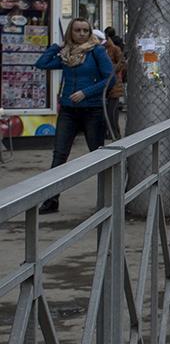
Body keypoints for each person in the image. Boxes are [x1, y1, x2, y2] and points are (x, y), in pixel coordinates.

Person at [34, 17, 114, 214]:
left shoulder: (97, 51)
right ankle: (51, 200)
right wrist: (57, 46)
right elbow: (42, 63)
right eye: (77, 30)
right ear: (70, 32)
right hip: (69, 110)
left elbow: (110, 79)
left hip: (92, 110)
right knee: (59, 154)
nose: (81, 34)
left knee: (97, 154)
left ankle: (106, 199)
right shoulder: (67, 54)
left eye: (85, 31)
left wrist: (86, 92)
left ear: (90, 32)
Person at [100, 29, 126, 140]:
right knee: (103, 114)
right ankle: (107, 133)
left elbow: (121, 64)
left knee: (112, 113)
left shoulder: (115, 49)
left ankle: (115, 135)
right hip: (101, 86)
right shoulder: (97, 50)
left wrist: (108, 68)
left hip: (114, 86)